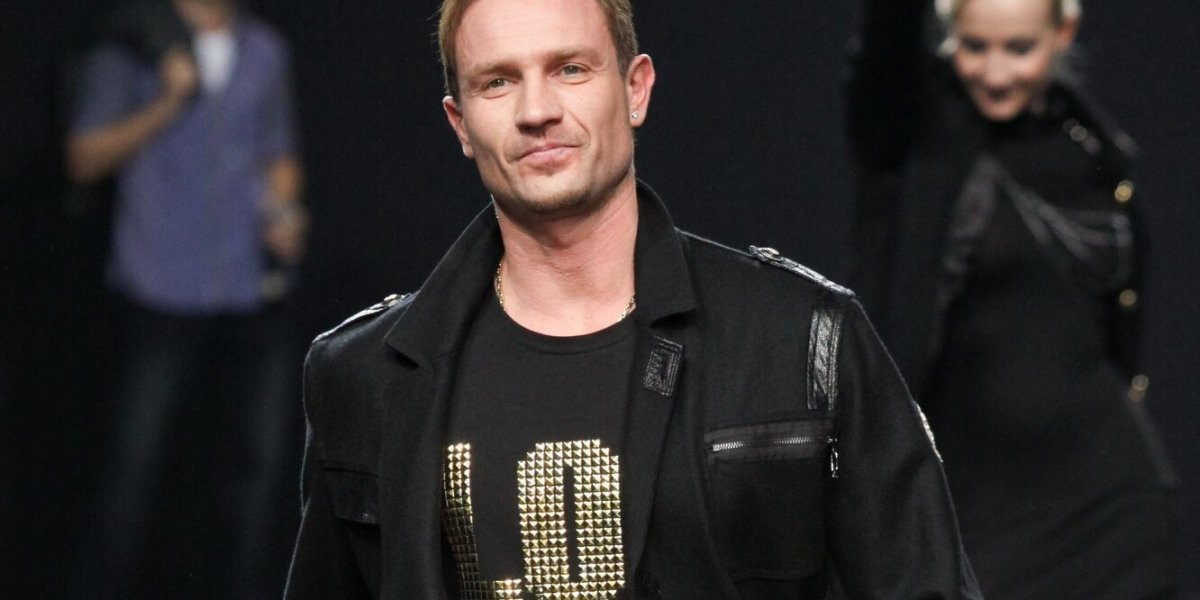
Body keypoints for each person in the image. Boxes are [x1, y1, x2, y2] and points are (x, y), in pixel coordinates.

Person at [284, 0, 980, 597]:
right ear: (460, 123)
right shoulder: (365, 377)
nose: (536, 111)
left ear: (636, 88)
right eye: (497, 82)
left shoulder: (801, 339)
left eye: (570, 69)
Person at [845, 0, 1180, 597]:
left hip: (1115, 510)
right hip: (976, 518)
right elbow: (885, 44)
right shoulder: (916, 128)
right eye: (975, 47)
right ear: (948, 33)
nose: (996, 73)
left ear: (1064, 32)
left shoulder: (1087, 143)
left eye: (1019, 49)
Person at [66, 0, 305, 596]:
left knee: (253, 471)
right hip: (159, 285)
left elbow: (277, 153)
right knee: (135, 470)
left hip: (245, 288)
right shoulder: (134, 42)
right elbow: (84, 158)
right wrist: (166, 103)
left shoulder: (264, 50)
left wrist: (283, 211)